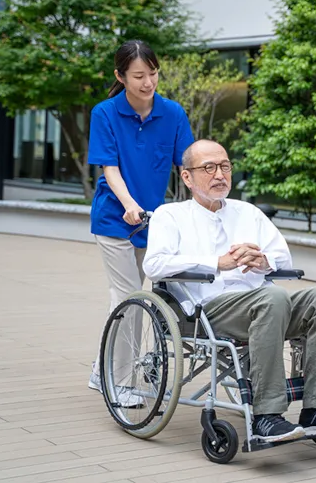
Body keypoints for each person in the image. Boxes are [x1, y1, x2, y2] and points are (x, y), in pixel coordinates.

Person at [142, 139, 316, 443]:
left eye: (225, 166)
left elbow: (283, 259)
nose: (220, 174)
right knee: (272, 297)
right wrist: (217, 263)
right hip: (208, 310)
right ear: (187, 177)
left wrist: (262, 260)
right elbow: (154, 265)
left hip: (265, 305)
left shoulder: (248, 212)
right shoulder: (170, 216)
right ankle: (267, 415)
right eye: (209, 167)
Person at [86, 39, 195, 404]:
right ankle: (119, 383)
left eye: (152, 73)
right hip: (116, 219)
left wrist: (204, 201)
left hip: (154, 222)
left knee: (134, 296)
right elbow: (110, 169)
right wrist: (130, 204)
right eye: (138, 76)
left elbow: (187, 166)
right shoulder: (105, 113)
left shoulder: (173, 113)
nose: (148, 82)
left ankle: (102, 368)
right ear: (120, 76)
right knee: (131, 296)